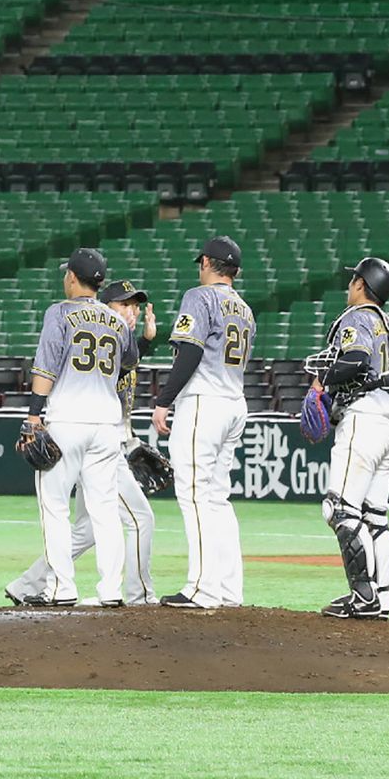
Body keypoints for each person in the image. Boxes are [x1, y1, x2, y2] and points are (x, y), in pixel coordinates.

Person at [16, 249, 133, 605]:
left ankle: (60, 588)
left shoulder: (60, 313)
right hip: (107, 424)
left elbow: (45, 368)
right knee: (105, 510)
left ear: (71, 277)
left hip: (67, 419)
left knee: (54, 505)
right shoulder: (115, 319)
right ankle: (111, 591)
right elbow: (128, 363)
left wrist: (34, 416)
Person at [152, 236, 254, 609]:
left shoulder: (200, 296)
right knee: (217, 498)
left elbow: (191, 349)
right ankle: (228, 589)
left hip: (205, 403)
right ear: (237, 272)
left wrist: (164, 400)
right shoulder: (245, 308)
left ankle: (201, 588)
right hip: (234, 403)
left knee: (194, 495)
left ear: (208, 262)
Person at [308, 257, 389, 620]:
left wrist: (322, 382)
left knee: (340, 510)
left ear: (363, 285)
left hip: (363, 422)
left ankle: (363, 597)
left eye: (353, 280)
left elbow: (357, 358)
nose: (350, 285)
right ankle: (382, 596)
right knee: (376, 516)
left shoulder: (356, 317)